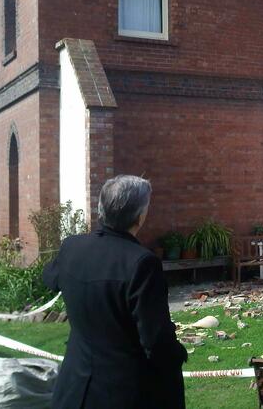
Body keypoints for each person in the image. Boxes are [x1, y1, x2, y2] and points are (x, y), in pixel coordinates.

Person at [43, 175, 187, 409]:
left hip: (74, 388)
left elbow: (50, 279)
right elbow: (156, 340)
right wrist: (177, 355)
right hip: (123, 392)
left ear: (102, 209)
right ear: (140, 215)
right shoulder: (142, 263)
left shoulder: (72, 247)